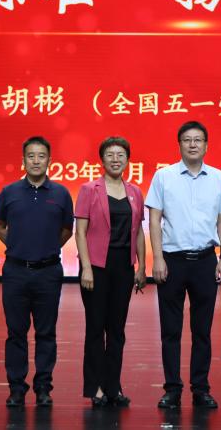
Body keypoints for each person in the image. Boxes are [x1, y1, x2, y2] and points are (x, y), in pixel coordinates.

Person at [147, 121, 221, 409]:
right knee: (170, 330)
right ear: (180, 145)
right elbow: (154, 219)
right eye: (187, 140)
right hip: (171, 261)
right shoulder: (164, 176)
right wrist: (157, 258)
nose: (193, 144)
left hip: (205, 261)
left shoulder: (219, 178)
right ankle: (172, 389)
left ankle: (201, 388)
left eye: (198, 140)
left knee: (202, 331)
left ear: (206, 145)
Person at [0, 136, 75, 407]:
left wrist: (46, 248)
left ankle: (43, 388)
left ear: (49, 160)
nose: (36, 161)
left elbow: (67, 230)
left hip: (48, 272)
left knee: (46, 332)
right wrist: (18, 246)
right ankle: (16, 388)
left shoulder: (61, 194)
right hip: (15, 271)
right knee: (16, 332)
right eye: (31, 156)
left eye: (41, 156)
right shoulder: (9, 192)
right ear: (23, 160)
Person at [74, 136, 147, 407]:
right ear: (102, 160)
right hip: (96, 267)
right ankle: (95, 388)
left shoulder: (135, 192)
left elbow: (138, 232)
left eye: (121, 155)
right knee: (96, 328)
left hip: (124, 267)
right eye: (110, 155)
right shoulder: (89, 189)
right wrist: (86, 268)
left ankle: (113, 386)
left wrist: (142, 266)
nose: (116, 160)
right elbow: (80, 232)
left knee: (117, 330)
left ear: (128, 160)